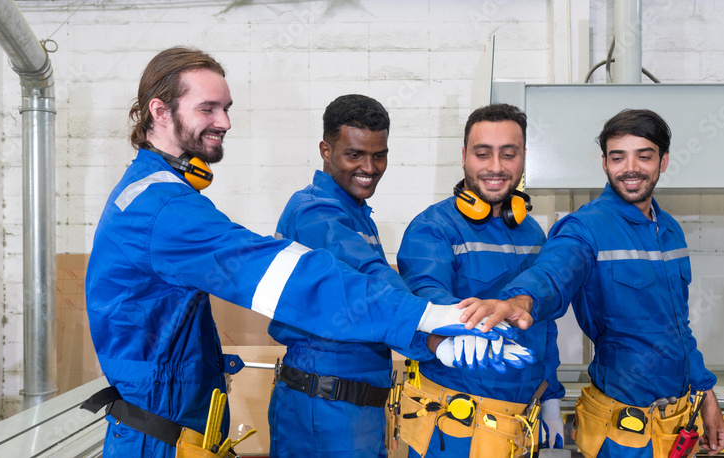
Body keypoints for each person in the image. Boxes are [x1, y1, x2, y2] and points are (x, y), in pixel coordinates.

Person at [83, 47, 530, 458]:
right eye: (208, 108)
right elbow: (290, 277)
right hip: (160, 434)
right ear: (160, 112)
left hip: (177, 425)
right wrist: (426, 321)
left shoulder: (163, 196)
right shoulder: (163, 207)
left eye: (227, 108)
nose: (225, 121)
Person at [500, 109, 724, 458]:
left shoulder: (669, 230)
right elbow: (552, 272)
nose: (630, 168)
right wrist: (521, 299)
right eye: (618, 157)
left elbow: (677, 328)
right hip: (623, 431)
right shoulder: (586, 228)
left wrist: (706, 392)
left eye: (644, 156)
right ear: (604, 163)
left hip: (677, 424)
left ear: (663, 161)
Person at [268, 94, 436, 457]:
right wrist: (434, 332)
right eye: (355, 154)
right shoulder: (315, 213)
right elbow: (369, 276)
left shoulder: (356, 212)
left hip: (355, 406)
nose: (370, 167)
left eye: (380, 154)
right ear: (326, 150)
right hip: (324, 409)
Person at [395, 104, 565, 457]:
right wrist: (457, 329)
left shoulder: (533, 232)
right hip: (454, 426)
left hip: (520, 424)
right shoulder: (434, 228)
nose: (496, 167)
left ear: (523, 158)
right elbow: (424, 296)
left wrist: (550, 395)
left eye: (509, 154)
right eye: (482, 153)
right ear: (464, 157)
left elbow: (543, 325)